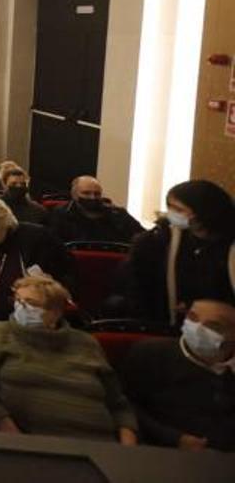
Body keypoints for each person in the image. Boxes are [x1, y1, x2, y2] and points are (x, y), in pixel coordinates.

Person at [0, 275, 138, 443]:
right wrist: (4, 421)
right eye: (17, 300)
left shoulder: (86, 342)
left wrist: (126, 451)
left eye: (30, 303)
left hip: (99, 442)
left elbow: (119, 405)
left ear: (55, 313)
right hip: (32, 443)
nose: (20, 307)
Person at [119, 299, 235, 451]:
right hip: (158, 452)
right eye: (193, 318)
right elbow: (125, 406)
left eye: (213, 326)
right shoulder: (151, 353)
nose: (198, 328)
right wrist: (175, 438)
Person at [125, 179, 235, 325]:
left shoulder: (228, 245)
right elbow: (140, 288)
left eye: (178, 209)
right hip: (167, 324)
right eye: (169, 207)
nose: (171, 214)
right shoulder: (156, 240)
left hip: (221, 325)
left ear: (203, 212)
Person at [47, 175, 144, 244]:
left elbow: (141, 237)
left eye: (97, 194)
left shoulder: (118, 214)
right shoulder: (61, 214)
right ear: (74, 195)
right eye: (86, 193)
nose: (92, 197)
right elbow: (52, 245)